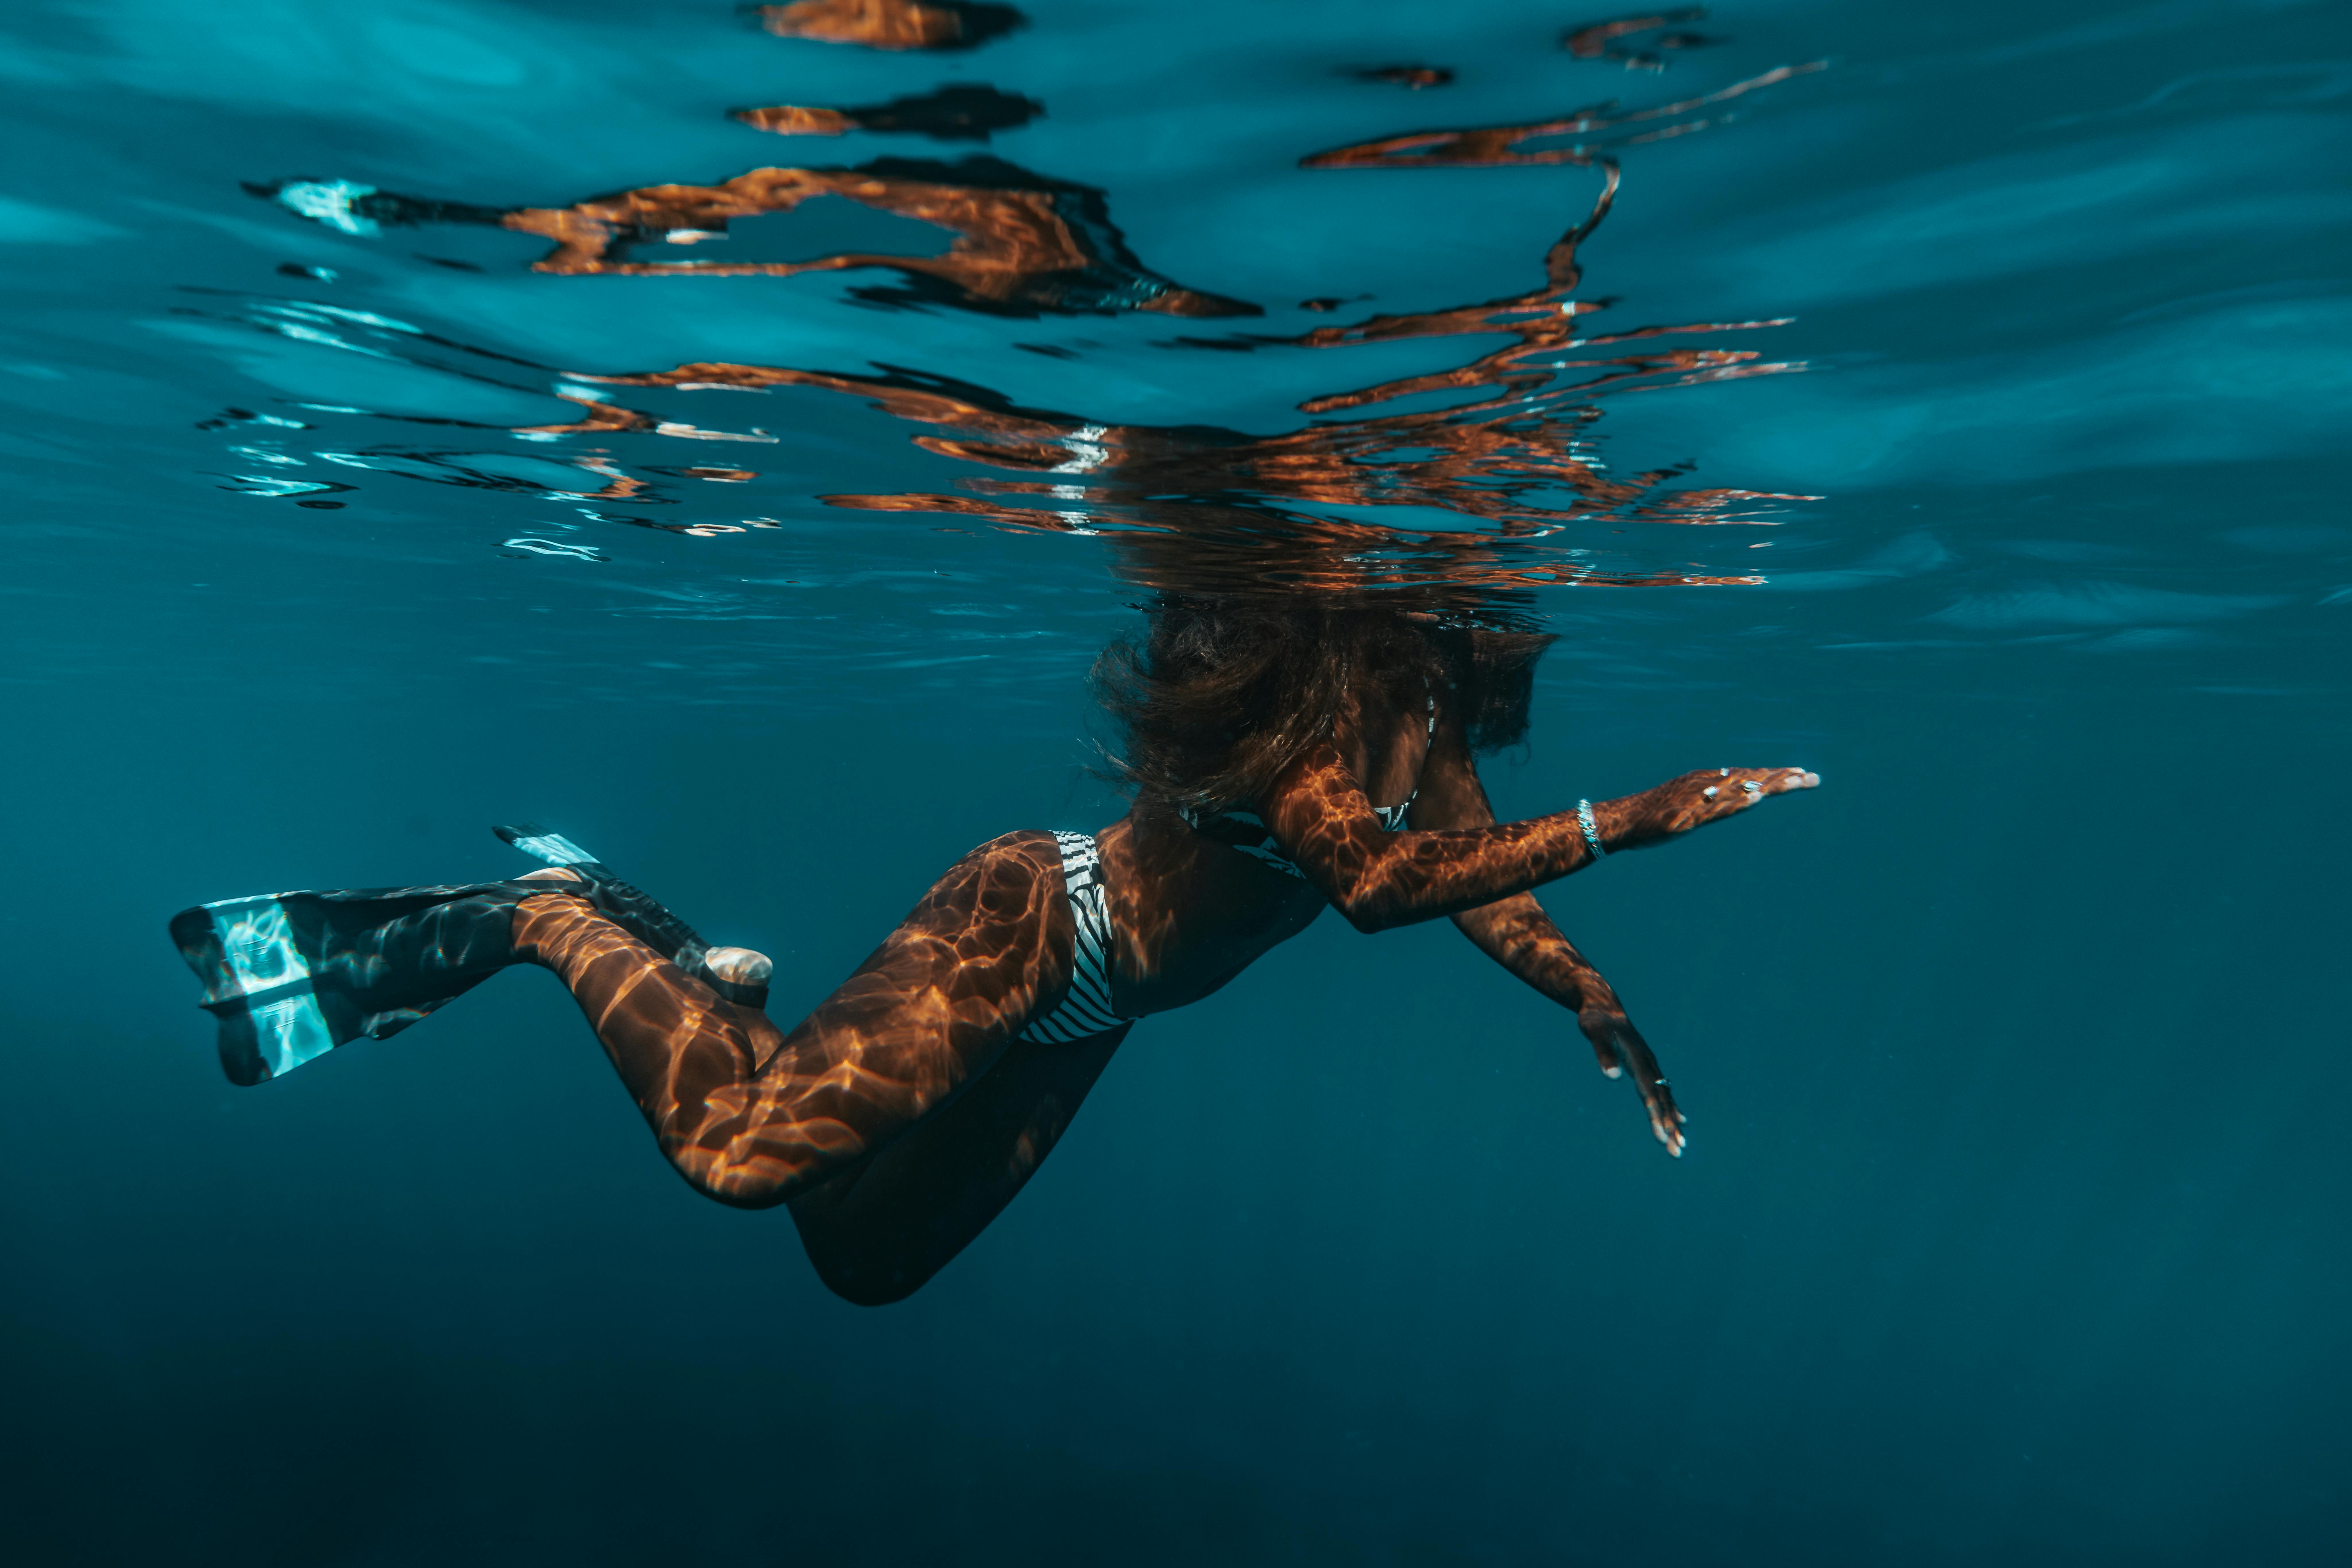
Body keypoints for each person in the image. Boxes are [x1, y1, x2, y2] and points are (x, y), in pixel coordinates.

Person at [172, 595, 1816, 1305]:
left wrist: (1580, 983)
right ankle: (546, 923)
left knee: (858, 1259)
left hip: (1092, 1013)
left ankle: (695, 968)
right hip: (1036, 924)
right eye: (1503, 606)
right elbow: (1378, 886)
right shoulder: (1308, 706)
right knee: (740, 1159)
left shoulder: (1420, 719)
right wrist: (1636, 815)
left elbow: (1461, 875)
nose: (1533, 628)